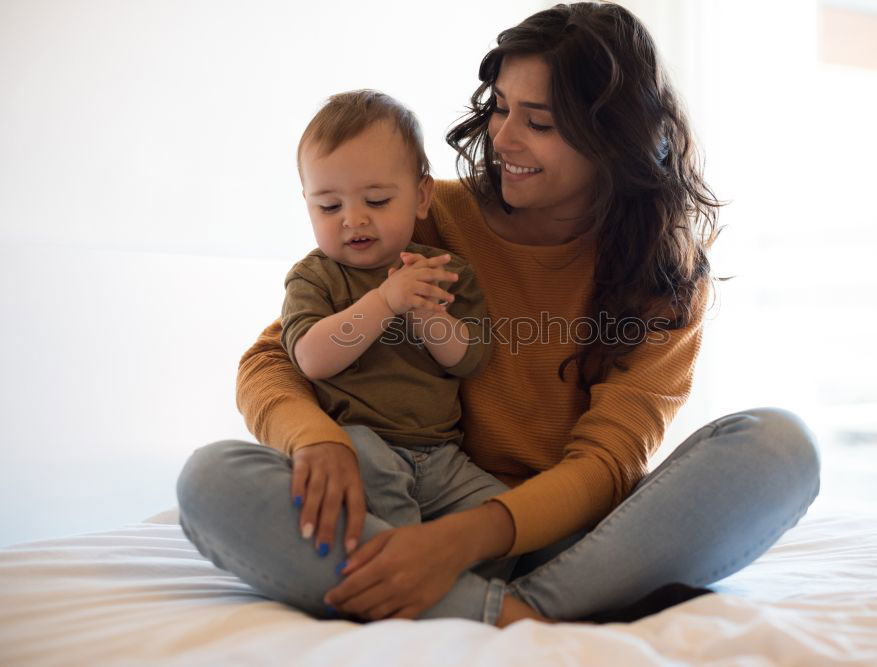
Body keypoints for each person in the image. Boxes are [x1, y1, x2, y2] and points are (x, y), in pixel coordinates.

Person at [176, 1, 821, 628]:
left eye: (538, 123)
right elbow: (276, 357)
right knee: (213, 480)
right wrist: (313, 439)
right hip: (399, 511)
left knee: (779, 446)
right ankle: (525, 613)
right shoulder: (422, 217)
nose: (502, 138)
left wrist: (459, 543)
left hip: (561, 534)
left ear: (611, 142)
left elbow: (607, 463)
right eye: (501, 108)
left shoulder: (664, 278)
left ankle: (494, 602)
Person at [278, 90, 516, 571]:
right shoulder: (315, 277)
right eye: (328, 207)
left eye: (377, 200)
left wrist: (428, 315)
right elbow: (311, 357)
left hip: (442, 455)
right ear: (306, 204)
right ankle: (405, 574)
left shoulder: (445, 271)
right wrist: (384, 301)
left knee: (502, 518)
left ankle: (475, 592)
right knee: (383, 504)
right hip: (361, 444)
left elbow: (469, 360)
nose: (353, 219)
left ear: (422, 196)